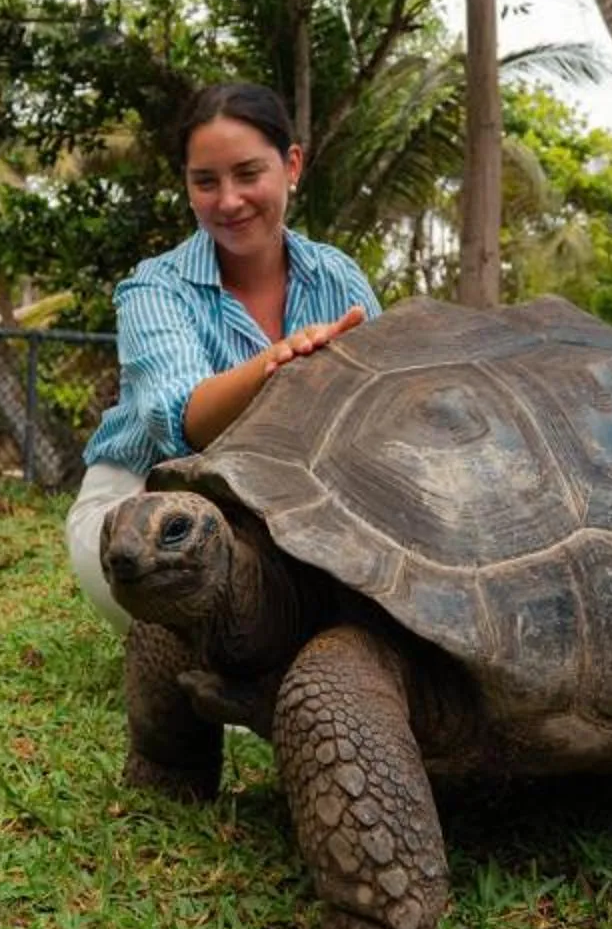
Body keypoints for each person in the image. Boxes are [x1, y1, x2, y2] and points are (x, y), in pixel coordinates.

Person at [64, 82, 379, 630]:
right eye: (205, 181)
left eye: (249, 174)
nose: (228, 200)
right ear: (187, 186)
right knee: (216, 614)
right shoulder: (153, 288)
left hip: (296, 505)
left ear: (292, 165)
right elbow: (182, 421)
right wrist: (277, 366)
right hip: (151, 503)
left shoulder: (339, 276)